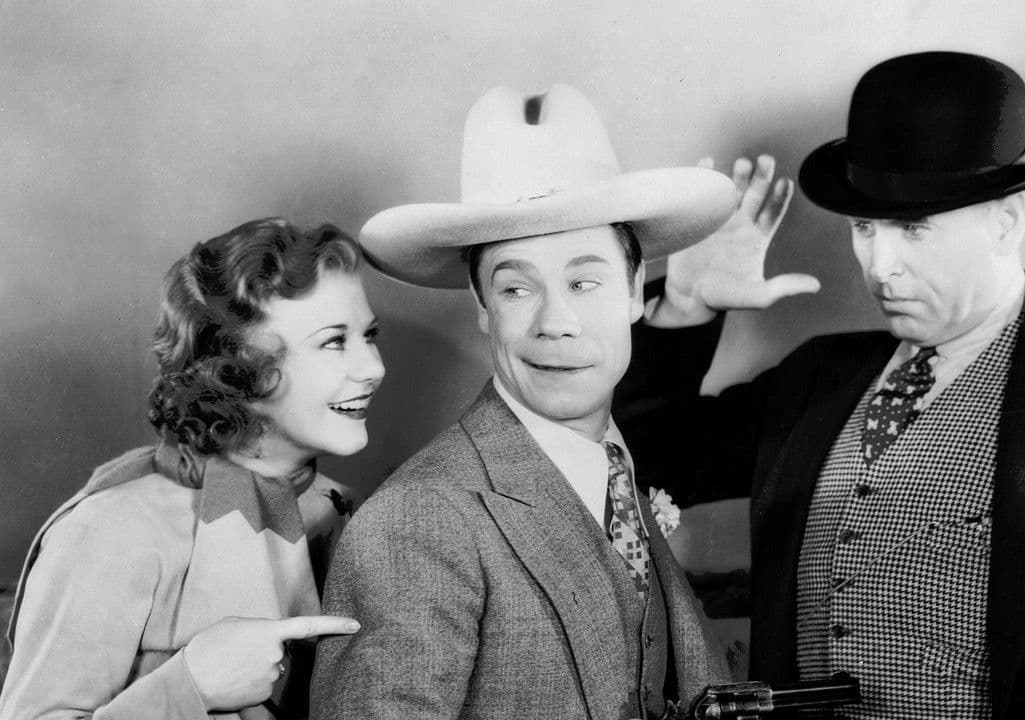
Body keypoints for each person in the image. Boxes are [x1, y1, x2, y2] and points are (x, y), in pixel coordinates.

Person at [615, 52, 1025, 720]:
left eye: (913, 229)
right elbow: (643, 457)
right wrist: (686, 307)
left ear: (1006, 221)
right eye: (865, 227)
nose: (880, 265)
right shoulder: (817, 376)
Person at [312, 84, 736, 720]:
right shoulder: (418, 521)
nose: (555, 322)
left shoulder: (614, 469)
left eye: (583, 282)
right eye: (516, 289)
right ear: (483, 307)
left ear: (632, 292)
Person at [0, 218, 383, 719]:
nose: (374, 367)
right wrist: (190, 688)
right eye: (334, 341)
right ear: (240, 364)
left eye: (369, 335)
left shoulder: (354, 514)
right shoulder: (113, 531)